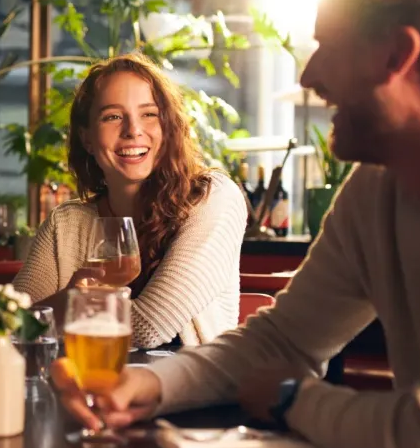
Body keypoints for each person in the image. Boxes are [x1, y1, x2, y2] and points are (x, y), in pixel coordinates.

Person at [52, 0, 420, 448]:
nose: (310, 73)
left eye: (329, 44)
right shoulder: (373, 195)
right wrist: (142, 384)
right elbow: (278, 344)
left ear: (396, 57)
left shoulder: (218, 196)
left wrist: (293, 398)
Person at [14, 53, 246, 349]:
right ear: (87, 138)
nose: (133, 130)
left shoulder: (214, 198)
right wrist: (68, 302)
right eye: (112, 116)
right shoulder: (67, 224)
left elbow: (148, 328)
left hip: (187, 393)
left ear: (168, 126)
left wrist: (70, 305)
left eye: (149, 114)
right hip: (85, 387)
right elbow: (8, 326)